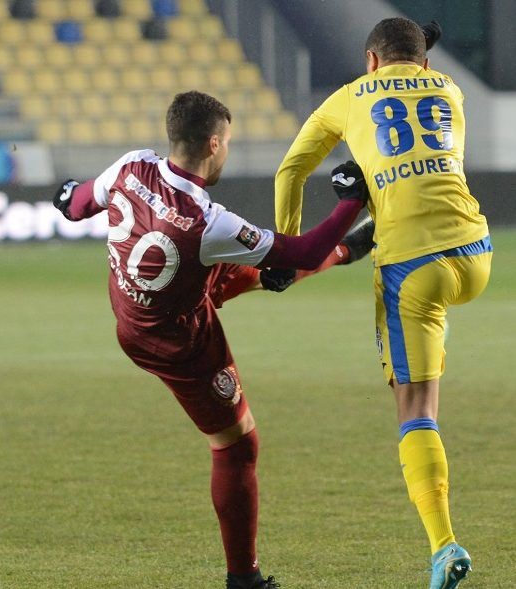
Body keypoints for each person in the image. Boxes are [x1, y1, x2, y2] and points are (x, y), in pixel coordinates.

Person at [52, 90, 373, 589]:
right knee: (237, 447)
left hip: (138, 306)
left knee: (270, 271)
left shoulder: (131, 166)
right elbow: (306, 251)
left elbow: (76, 206)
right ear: (213, 144)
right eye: (227, 144)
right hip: (175, 337)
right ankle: (244, 579)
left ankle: (348, 251)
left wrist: (66, 193)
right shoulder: (208, 222)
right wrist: (352, 200)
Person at [274, 18, 490, 589]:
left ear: (370, 61)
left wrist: (288, 247)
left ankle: (444, 547)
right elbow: (411, 96)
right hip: (475, 253)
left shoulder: (349, 97)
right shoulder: (449, 88)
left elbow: (292, 169)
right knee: (431, 318)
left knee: (415, 408)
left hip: (412, 266)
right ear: (424, 62)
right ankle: (429, 339)